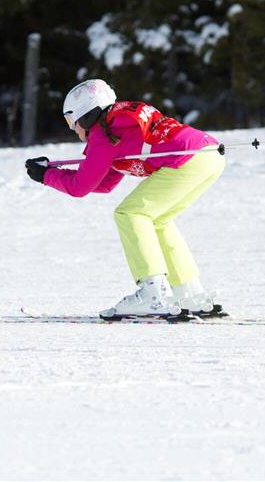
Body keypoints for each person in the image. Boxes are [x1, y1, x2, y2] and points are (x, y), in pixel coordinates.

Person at [25, 79, 225, 320]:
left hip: (186, 160)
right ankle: (189, 293)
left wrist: (46, 175)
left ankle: (153, 294)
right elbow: (105, 184)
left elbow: (79, 187)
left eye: (71, 121)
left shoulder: (103, 134)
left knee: (130, 213)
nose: (73, 129)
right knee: (158, 220)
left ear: (86, 116)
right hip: (208, 156)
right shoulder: (116, 125)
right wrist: (53, 174)